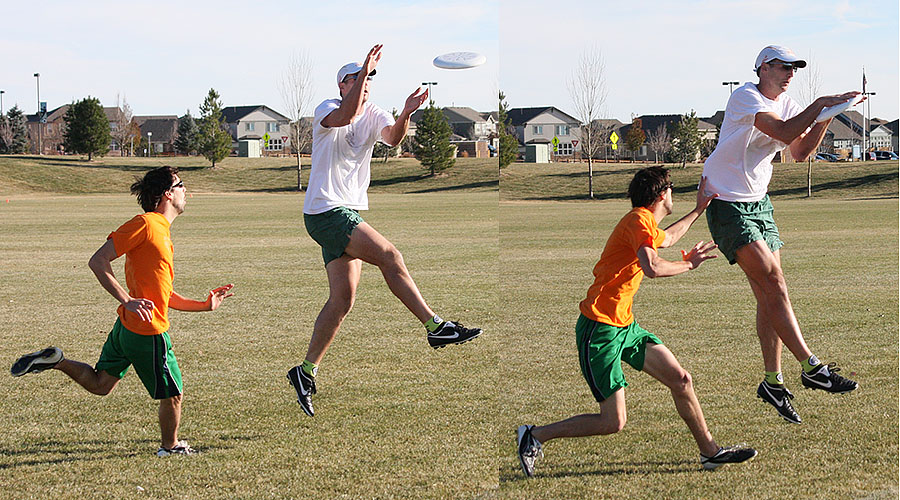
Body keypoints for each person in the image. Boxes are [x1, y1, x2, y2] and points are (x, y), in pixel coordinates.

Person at [516, 167, 757, 477]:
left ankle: (710, 453)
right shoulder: (638, 220)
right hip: (600, 329)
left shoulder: (642, 222)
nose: (673, 194)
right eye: (671, 189)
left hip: (624, 326)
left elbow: (667, 238)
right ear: (662, 194)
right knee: (613, 422)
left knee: (681, 379)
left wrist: (699, 209)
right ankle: (533, 435)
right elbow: (652, 266)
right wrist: (689, 264)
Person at [288, 44, 482, 417]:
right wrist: (364, 69)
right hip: (326, 211)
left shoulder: (373, 110)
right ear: (342, 84)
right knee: (391, 255)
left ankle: (306, 370)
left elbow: (392, 138)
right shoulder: (328, 108)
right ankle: (434, 325)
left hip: (344, 209)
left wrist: (407, 112)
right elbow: (347, 115)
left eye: (369, 80)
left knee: (342, 300)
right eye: (358, 79)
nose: (365, 84)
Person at [11, 166, 234, 457]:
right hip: (147, 331)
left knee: (101, 384)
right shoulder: (146, 224)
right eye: (181, 185)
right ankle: (170, 447)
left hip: (127, 328)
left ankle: (58, 361)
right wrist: (127, 299)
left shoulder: (159, 231)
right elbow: (98, 260)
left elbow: (162, 296)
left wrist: (205, 305)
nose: (185, 192)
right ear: (167, 193)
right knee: (174, 394)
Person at [700, 45, 859, 424]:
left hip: (759, 202)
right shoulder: (745, 96)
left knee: (766, 293)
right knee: (775, 283)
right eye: (784, 67)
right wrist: (820, 104)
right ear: (763, 68)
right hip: (726, 202)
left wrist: (824, 118)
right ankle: (811, 367)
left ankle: (773, 381)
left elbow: (800, 150)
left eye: (795, 68)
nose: (791, 73)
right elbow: (784, 131)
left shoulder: (787, 104)